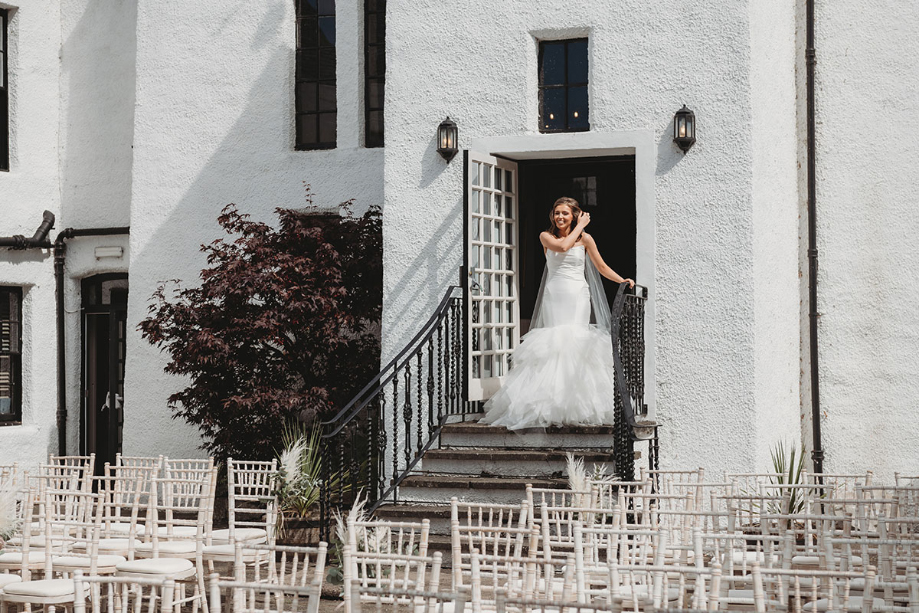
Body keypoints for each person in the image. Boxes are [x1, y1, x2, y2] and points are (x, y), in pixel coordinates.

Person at [481, 196, 635, 430]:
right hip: (556, 293)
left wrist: (621, 279)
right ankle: (548, 404)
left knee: (576, 341)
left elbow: (601, 266)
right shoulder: (547, 236)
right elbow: (563, 248)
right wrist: (581, 227)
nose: (560, 217)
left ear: (573, 215)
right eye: (557, 213)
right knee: (554, 343)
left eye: (565, 213)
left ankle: (576, 403)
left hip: (577, 294)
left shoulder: (586, 240)